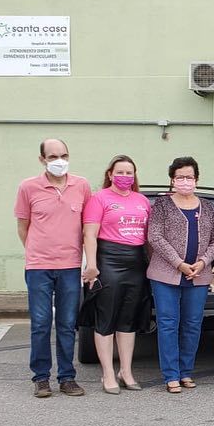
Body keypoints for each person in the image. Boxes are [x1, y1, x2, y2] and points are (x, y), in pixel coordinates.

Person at [14, 138, 91, 398]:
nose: (59, 161)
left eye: (64, 155)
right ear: (42, 160)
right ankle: (41, 377)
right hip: (38, 267)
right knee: (40, 323)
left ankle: (67, 377)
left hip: (70, 266)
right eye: (53, 156)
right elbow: (23, 227)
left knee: (68, 324)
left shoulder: (81, 186)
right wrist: (38, 251)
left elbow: (88, 226)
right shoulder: (28, 187)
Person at [147, 157, 214, 394]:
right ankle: (171, 375)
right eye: (180, 177)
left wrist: (202, 262)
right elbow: (155, 237)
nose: (185, 181)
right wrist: (179, 263)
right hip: (166, 274)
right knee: (168, 324)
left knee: (192, 324)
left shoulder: (208, 207)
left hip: (198, 275)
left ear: (196, 179)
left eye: (189, 177)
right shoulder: (161, 206)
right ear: (172, 179)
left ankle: (186, 372)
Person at [79, 154, 151, 394]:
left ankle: (126, 371)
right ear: (110, 174)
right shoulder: (98, 199)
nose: (124, 177)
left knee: (128, 321)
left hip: (136, 263)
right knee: (106, 319)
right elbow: (89, 234)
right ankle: (108, 374)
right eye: (119, 172)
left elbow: (149, 238)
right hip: (108, 260)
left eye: (129, 172)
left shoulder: (142, 200)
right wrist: (91, 265)